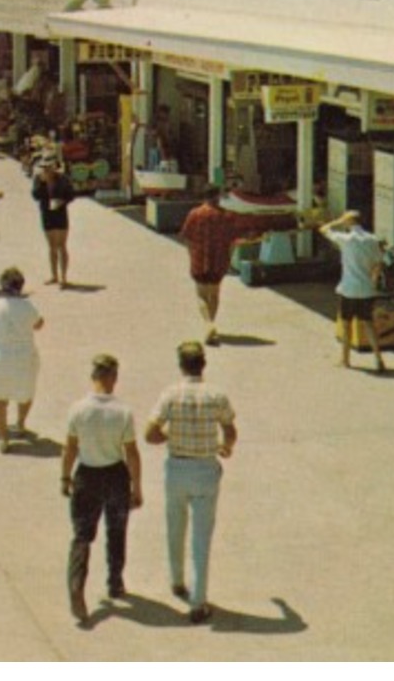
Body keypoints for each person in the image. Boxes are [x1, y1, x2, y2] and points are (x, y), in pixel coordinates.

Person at [144, 340, 237, 625]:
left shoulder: (171, 395)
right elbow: (230, 429)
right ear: (203, 364)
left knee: (175, 525)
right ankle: (198, 601)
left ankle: (176, 580)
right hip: (205, 469)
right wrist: (224, 447)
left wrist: (170, 438)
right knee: (201, 536)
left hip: (177, 467)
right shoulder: (216, 395)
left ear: (181, 365)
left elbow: (150, 433)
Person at [61, 353, 144, 622]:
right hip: (116, 475)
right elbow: (131, 452)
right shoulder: (123, 411)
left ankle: (76, 589)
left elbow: (70, 447)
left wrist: (65, 477)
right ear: (113, 378)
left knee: (82, 536)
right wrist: (137, 487)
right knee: (116, 531)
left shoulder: (78, 409)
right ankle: (115, 582)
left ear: (93, 376)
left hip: (87, 476)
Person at [0, 266, 45, 453]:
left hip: (1, 355)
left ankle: (3, 438)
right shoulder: (28, 306)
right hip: (25, 353)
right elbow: (39, 324)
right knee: (25, 392)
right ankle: (20, 423)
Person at [179, 186, 253, 346]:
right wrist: (230, 258)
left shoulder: (194, 214)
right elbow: (233, 240)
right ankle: (211, 326)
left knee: (201, 295)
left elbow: (187, 238)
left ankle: (209, 325)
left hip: (199, 259)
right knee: (214, 294)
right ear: (217, 197)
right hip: (219, 260)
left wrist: (191, 255)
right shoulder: (226, 216)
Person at [320, 210, 388, 372]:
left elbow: (323, 229)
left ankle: (345, 360)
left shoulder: (346, 239)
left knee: (346, 325)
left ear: (348, 222)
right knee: (368, 324)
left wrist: (337, 221)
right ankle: (378, 358)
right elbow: (378, 265)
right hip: (366, 289)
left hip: (348, 288)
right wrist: (373, 282)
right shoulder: (372, 240)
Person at [32, 159, 76, 287]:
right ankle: (54, 276)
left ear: (53, 167)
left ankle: (63, 277)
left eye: (48, 167)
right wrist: (42, 183)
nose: (46, 170)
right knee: (51, 246)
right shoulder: (38, 179)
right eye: (43, 167)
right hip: (46, 213)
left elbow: (71, 194)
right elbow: (35, 195)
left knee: (61, 245)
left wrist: (62, 201)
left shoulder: (62, 178)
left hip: (60, 212)